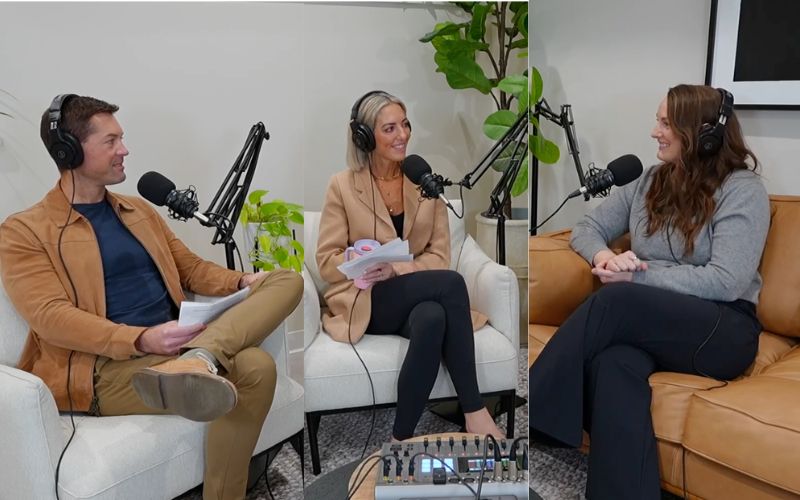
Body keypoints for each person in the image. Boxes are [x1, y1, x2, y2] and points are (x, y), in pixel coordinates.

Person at [0, 94, 303, 500]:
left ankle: (201, 357)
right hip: (103, 371)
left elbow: (192, 269)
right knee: (256, 368)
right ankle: (201, 358)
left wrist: (243, 281)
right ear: (69, 149)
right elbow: (51, 318)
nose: (124, 150)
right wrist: (140, 339)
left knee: (286, 282)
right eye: (111, 141)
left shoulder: (137, 210)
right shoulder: (23, 231)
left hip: (176, 349)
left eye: (121, 139)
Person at [529, 84, 770, 499]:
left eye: (665, 123)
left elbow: (726, 280)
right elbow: (587, 229)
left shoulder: (741, 189)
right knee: (613, 363)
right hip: (655, 325)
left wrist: (637, 276)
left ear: (703, 134)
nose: (654, 131)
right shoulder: (649, 182)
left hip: (722, 330)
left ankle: (531, 415)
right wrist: (605, 256)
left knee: (617, 299)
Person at [315, 90, 504, 441]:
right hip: (368, 300)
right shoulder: (341, 186)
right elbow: (327, 261)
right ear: (365, 137)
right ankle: (475, 410)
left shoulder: (423, 181)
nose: (402, 135)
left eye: (405, 124)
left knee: (433, 317)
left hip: (413, 295)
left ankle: (399, 438)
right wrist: (357, 261)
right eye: (389, 128)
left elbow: (439, 255)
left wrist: (397, 269)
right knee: (450, 284)